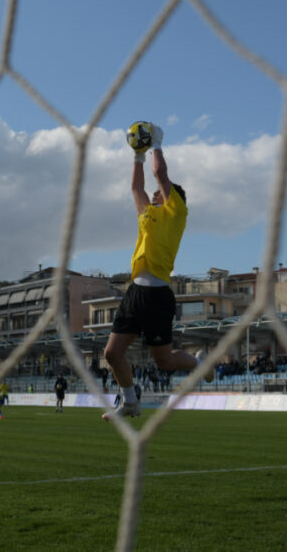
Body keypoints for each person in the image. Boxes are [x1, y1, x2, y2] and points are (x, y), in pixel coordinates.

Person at [101, 121, 213, 421]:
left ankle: (199, 365)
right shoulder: (147, 215)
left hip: (158, 295)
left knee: (164, 362)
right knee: (111, 354)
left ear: (173, 199)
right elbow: (136, 187)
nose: (154, 195)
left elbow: (160, 175)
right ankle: (130, 402)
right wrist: (137, 154)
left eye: (160, 193)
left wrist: (157, 144)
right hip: (134, 292)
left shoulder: (177, 214)